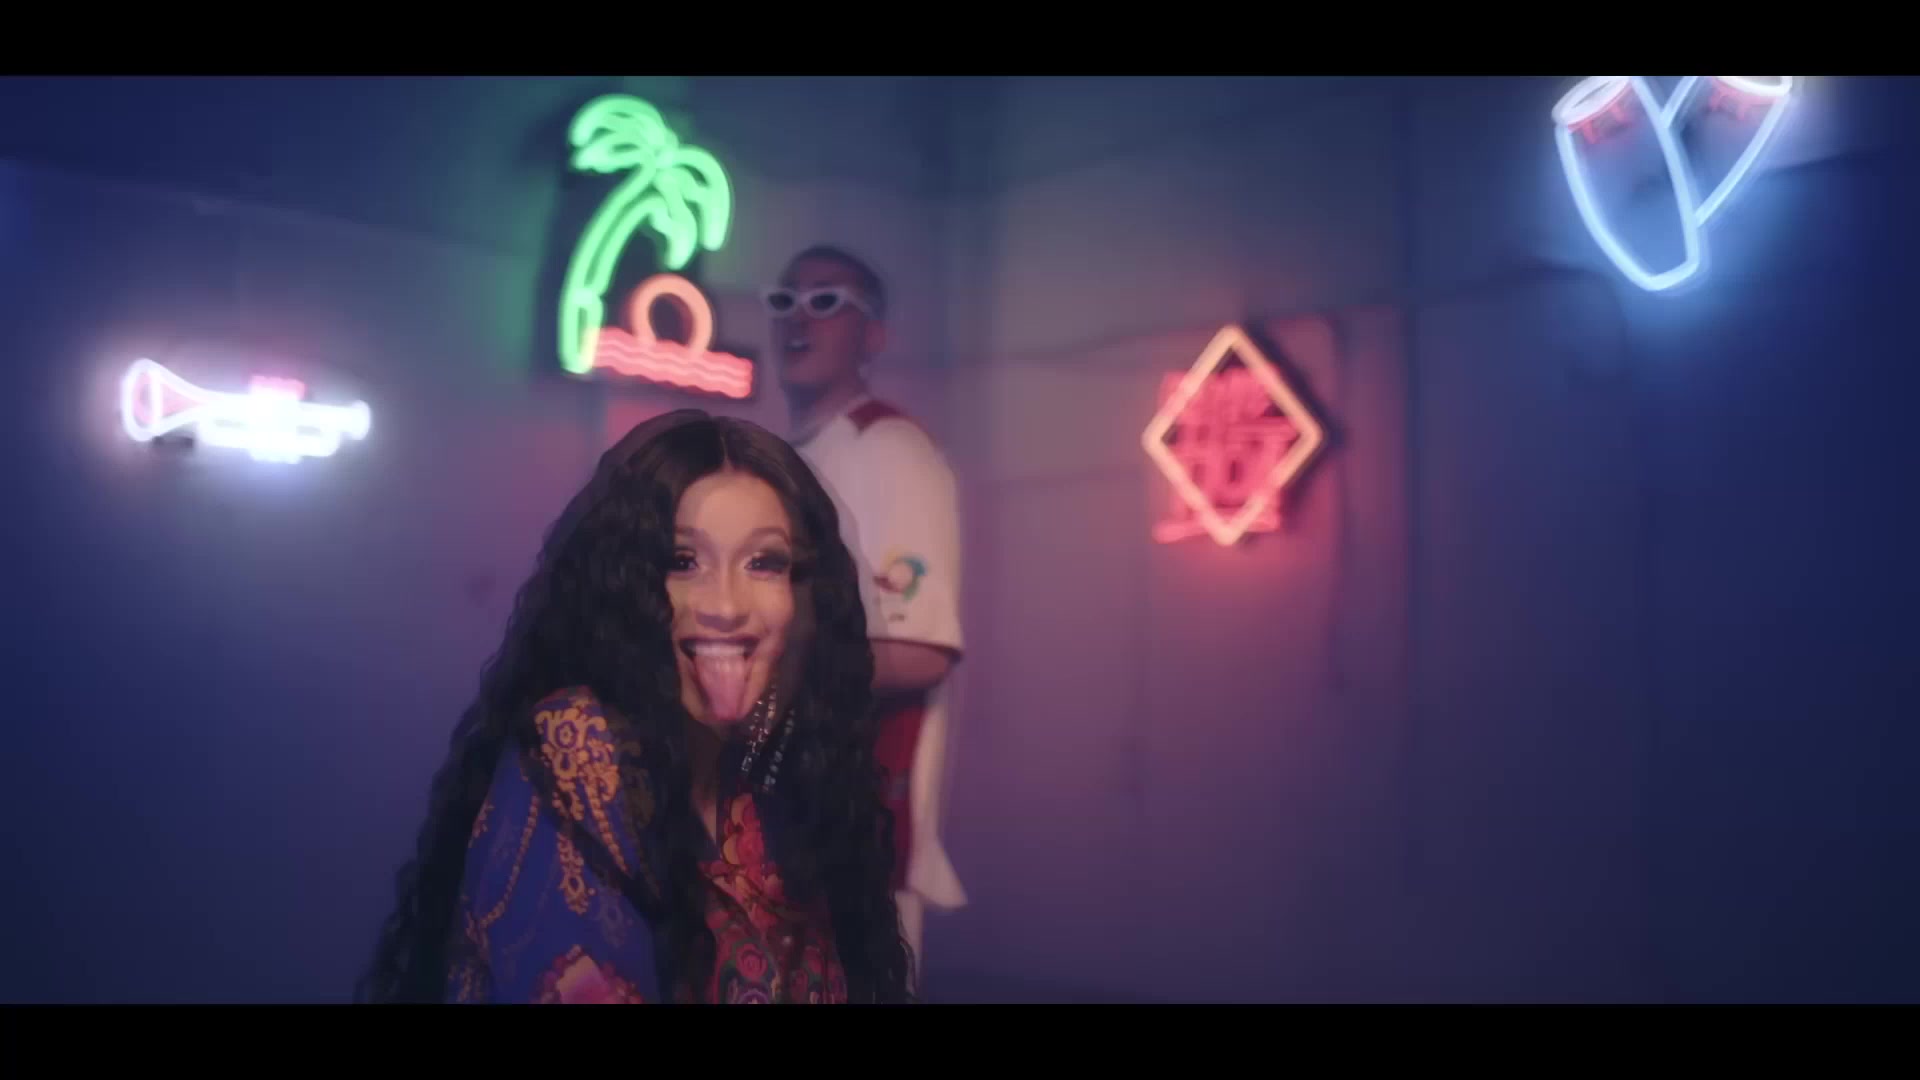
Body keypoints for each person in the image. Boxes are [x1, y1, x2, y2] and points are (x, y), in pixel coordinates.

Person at [357, 411, 915, 1004]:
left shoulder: (777, 767)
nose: (726, 606)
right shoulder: (578, 745)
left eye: (764, 563)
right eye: (682, 561)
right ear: (624, 586)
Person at [765, 245, 968, 978]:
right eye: (785, 301)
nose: (799, 318)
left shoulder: (891, 450)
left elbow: (921, 651)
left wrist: (766, 664)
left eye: (826, 302)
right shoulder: (779, 459)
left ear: (872, 335)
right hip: (767, 831)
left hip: (852, 841)